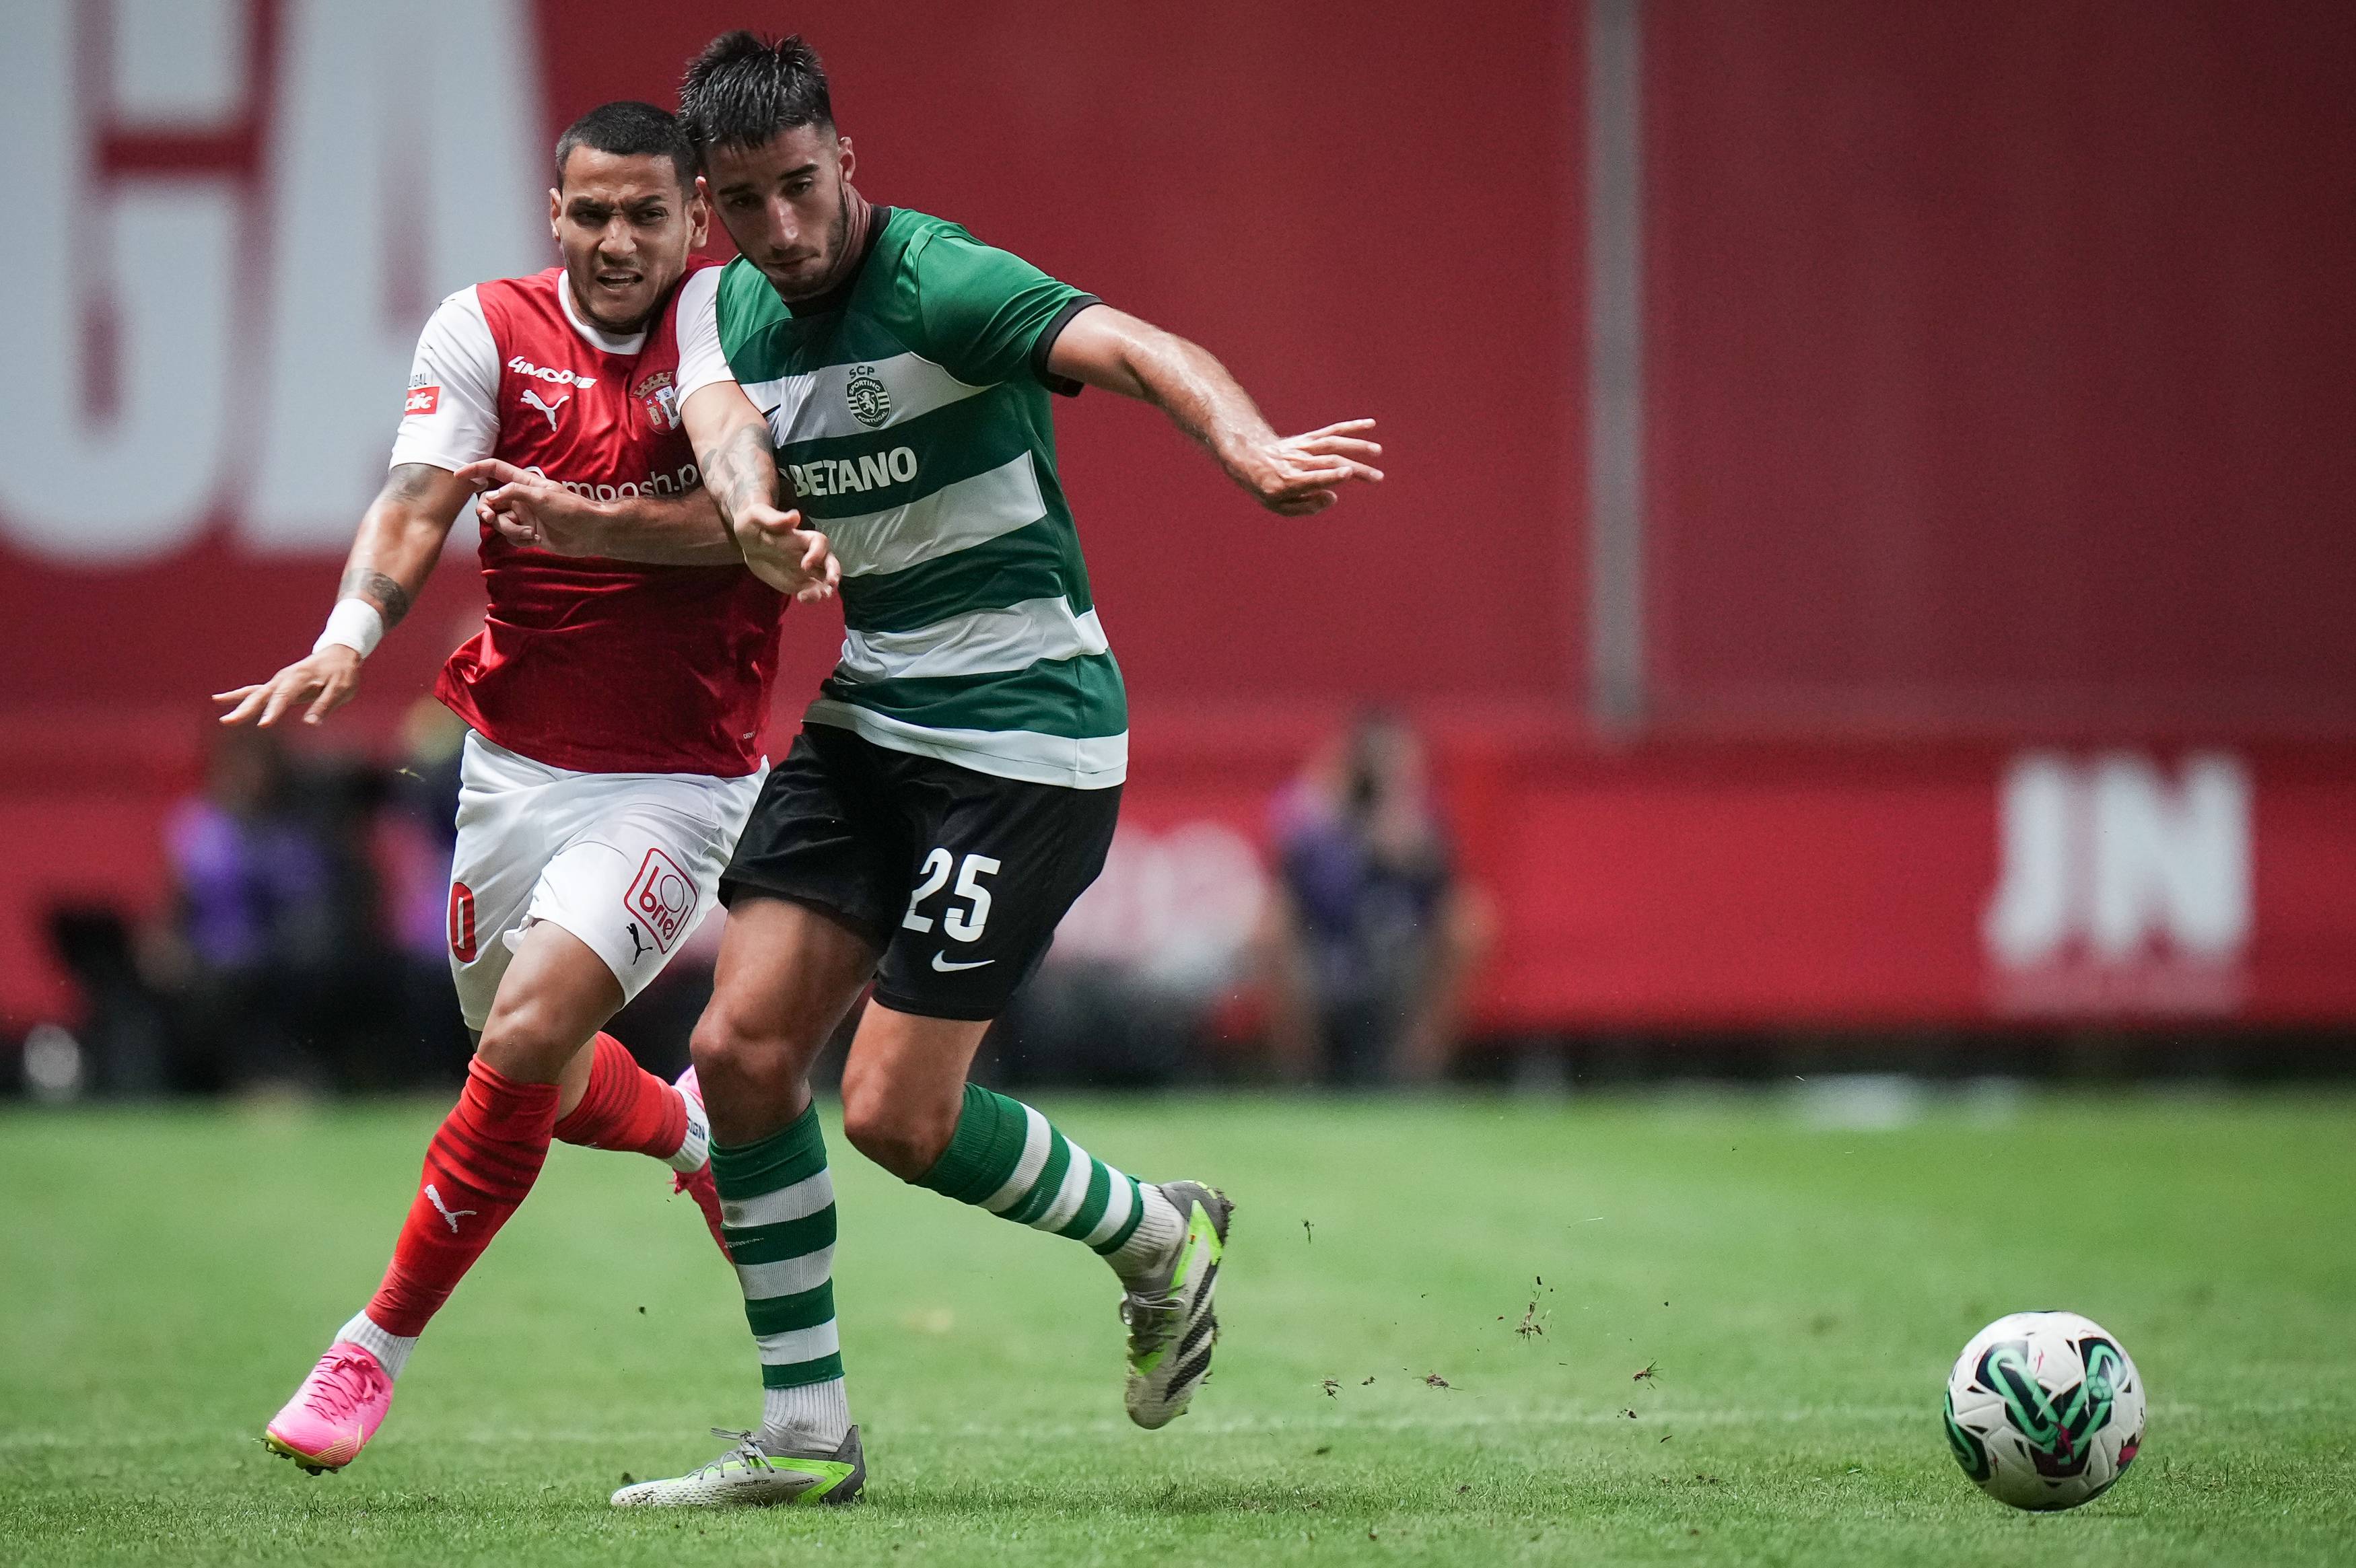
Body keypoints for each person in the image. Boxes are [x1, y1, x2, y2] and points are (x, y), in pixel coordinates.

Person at [605, 34, 1384, 1507]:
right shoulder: (727, 321)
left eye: (800, 188)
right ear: (711, 206)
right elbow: (721, 486)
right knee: (738, 1051)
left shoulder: (940, 284)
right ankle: (805, 1432)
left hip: (1027, 737)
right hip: (871, 717)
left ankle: (1158, 1234)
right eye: (747, 203)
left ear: (849, 167)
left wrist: (1249, 443)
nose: (782, 228)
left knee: (898, 1112)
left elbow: (1144, 348)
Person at [215, 100, 839, 1476]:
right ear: (555, 215)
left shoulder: (727, 323)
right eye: (593, 213)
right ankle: (682, 1127)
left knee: (526, 1032)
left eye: (648, 215)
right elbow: (416, 496)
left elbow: (748, 508)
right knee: (537, 1077)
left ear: (693, 219)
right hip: (513, 769)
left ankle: (370, 1346)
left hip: (679, 778)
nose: (620, 240)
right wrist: (346, 636)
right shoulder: (484, 326)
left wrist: (588, 519)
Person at [1259, 711, 1494, 1086]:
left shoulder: (1421, 816)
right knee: (1268, 928)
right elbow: (1290, 866)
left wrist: (1414, 849)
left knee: (1473, 922)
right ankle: (1302, 1076)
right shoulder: (1314, 806)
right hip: (1326, 947)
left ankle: (1415, 1072)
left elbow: (1446, 893)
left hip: (1402, 950)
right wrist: (1343, 829)